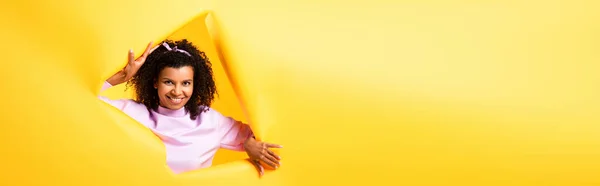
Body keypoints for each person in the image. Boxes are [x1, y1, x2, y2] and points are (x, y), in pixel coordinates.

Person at [98, 39, 282, 176]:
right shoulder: (131, 112)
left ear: (195, 84)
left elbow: (258, 137)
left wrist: (249, 143)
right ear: (155, 82)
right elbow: (78, 103)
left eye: (186, 83)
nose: (177, 91)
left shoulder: (210, 120)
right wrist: (118, 79)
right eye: (168, 82)